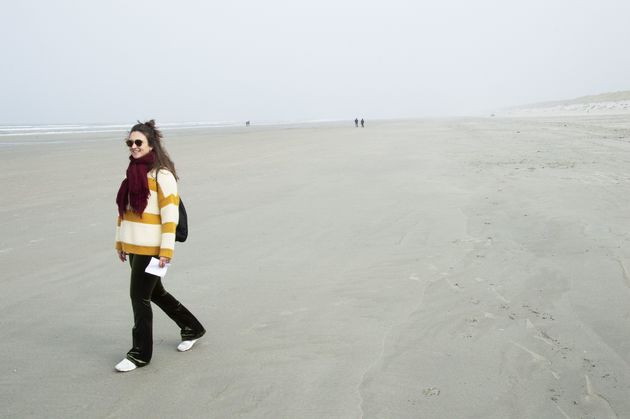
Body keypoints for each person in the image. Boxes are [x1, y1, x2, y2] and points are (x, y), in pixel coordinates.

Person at [114, 120, 205, 372]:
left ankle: (140, 354)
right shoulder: (131, 174)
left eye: (138, 142)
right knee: (155, 293)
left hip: (153, 249)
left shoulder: (162, 175)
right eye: (129, 143)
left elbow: (170, 217)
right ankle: (193, 328)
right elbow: (124, 213)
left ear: (151, 144)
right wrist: (120, 242)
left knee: (139, 297)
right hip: (134, 247)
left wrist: (166, 251)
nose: (133, 146)